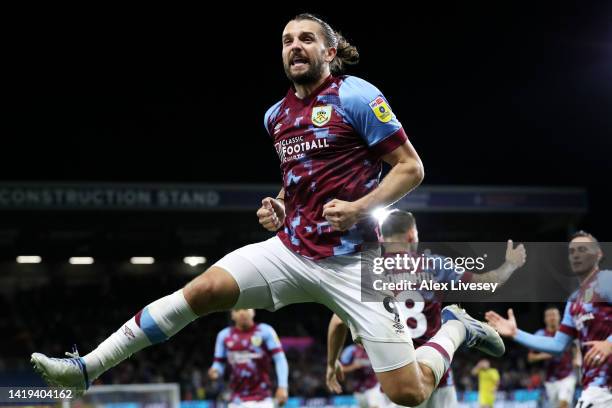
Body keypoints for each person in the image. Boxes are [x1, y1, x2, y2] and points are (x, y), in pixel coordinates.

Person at [31, 13, 505, 406]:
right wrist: (280, 205)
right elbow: (296, 181)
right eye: (286, 41)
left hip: (356, 263)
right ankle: (85, 368)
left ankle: (454, 329)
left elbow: (410, 168)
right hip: (291, 250)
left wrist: (361, 207)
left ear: (329, 52)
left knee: (407, 393)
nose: (295, 46)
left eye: (306, 39)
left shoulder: (357, 95)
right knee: (203, 290)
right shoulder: (275, 117)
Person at [326, 210, 526, 407]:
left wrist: (332, 363)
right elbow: (486, 284)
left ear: (382, 238)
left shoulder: (368, 274)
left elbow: (337, 323)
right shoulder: (433, 264)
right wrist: (510, 265)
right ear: (412, 234)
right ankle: (458, 325)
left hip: (398, 380)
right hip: (439, 376)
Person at [486, 231, 612, 407]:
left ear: (598, 254)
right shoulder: (574, 300)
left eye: (583, 249)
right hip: (595, 386)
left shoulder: (607, 280)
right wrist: (516, 333)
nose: (576, 254)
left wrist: (610, 343)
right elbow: (558, 345)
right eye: (572, 251)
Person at [208, 309, 288, 407]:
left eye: (246, 308)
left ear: (253, 312)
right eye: (237, 310)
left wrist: (283, 386)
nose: (242, 313)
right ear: (232, 315)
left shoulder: (265, 331)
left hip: (262, 400)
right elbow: (219, 363)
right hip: (235, 401)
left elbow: (280, 359)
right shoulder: (224, 335)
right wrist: (215, 371)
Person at [526, 306, 579, 408]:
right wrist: (547, 354)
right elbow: (530, 358)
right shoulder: (540, 335)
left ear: (559, 317)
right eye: (549, 315)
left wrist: (577, 358)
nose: (552, 318)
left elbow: (577, 346)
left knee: (564, 403)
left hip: (567, 376)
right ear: (545, 319)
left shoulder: (567, 332)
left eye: (554, 315)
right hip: (549, 379)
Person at [338, 342, 384, 408]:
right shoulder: (350, 350)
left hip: (373, 385)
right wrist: (353, 366)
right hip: (358, 388)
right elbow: (341, 369)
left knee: (375, 406)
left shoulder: (374, 349)